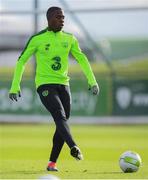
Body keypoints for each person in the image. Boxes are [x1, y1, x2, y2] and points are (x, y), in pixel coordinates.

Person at [9, 6, 99, 171]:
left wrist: (92, 81)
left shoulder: (70, 38)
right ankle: (73, 146)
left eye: (63, 17)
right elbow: (21, 61)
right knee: (59, 114)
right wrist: (15, 86)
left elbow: (82, 59)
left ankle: (52, 163)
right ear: (49, 19)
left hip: (64, 84)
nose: (62, 20)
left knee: (63, 121)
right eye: (58, 17)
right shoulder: (37, 39)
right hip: (45, 84)